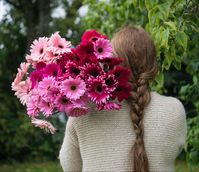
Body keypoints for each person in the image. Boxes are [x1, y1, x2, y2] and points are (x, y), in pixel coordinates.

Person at [58, 26, 187, 172]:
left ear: (110, 62)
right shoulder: (174, 109)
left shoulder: (83, 110)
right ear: (153, 65)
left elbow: (69, 165)